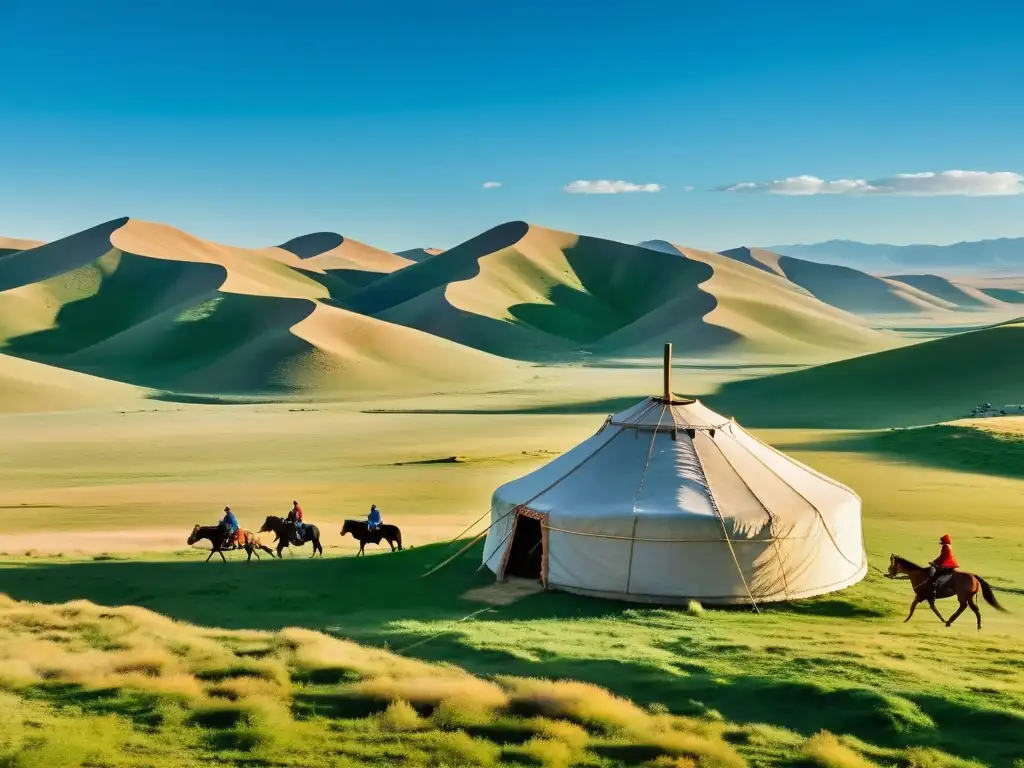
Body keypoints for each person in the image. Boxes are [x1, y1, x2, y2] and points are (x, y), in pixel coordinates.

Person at [925, 534, 958, 598]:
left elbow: (942, 557)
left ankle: (933, 589)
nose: (942, 544)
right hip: (952, 563)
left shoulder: (945, 546)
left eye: (942, 542)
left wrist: (934, 562)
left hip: (947, 564)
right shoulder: (949, 546)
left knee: (935, 573)